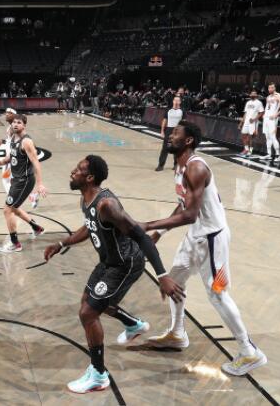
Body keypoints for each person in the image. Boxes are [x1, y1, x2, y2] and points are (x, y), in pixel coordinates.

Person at [43, 155, 184, 394]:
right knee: (90, 302)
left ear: (90, 177)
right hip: (108, 262)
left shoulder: (106, 205)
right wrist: (61, 243)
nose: (72, 172)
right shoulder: (86, 199)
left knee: (88, 313)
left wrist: (162, 275)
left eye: (78, 169)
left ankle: (98, 375)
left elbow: (140, 236)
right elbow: (89, 227)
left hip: (126, 264)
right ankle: (133, 325)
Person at [143, 121, 267, 376]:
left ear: (188, 140)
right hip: (195, 236)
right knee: (174, 281)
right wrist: (158, 233)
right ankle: (177, 333)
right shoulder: (179, 166)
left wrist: (147, 225)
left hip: (213, 241)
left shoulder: (196, 167)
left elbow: (190, 214)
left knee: (218, 294)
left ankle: (249, 352)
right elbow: (183, 204)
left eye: (175, 133)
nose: (170, 136)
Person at [0, 114, 47, 252]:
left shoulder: (26, 142)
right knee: (14, 208)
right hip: (16, 180)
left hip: (24, 181)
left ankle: (15, 244)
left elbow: (36, 162)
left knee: (7, 210)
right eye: (14, 122)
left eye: (19, 122)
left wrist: (40, 184)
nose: (15, 124)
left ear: (24, 125)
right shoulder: (13, 138)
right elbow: (12, 155)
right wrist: (2, 162)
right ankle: (37, 228)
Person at [260, 82, 280, 162]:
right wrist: (264, 115)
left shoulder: (278, 95)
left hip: (272, 119)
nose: (270, 89)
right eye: (269, 88)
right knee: (267, 137)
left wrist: (276, 115)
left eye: (272, 87)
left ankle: (278, 156)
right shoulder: (268, 97)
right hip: (266, 119)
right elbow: (267, 108)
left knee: (273, 137)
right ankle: (269, 154)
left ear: (275, 88)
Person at [156, 95, 183, 171]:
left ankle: (176, 164)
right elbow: (164, 121)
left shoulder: (182, 111)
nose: (176, 102)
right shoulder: (168, 110)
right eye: (175, 100)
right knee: (165, 148)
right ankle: (160, 165)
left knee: (177, 149)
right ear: (173, 101)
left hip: (178, 131)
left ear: (180, 102)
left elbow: (184, 123)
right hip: (169, 130)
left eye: (178, 100)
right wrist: (162, 131)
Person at [238, 89, 264, 157]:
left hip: (253, 122)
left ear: (256, 95)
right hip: (246, 121)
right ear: (250, 95)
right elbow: (245, 113)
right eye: (252, 93)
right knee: (243, 135)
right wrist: (241, 123)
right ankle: (246, 149)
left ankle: (250, 151)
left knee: (250, 137)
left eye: (254, 93)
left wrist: (254, 119)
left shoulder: (259, 103)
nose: (253, 94)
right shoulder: (248, 103)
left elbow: (261, 113)